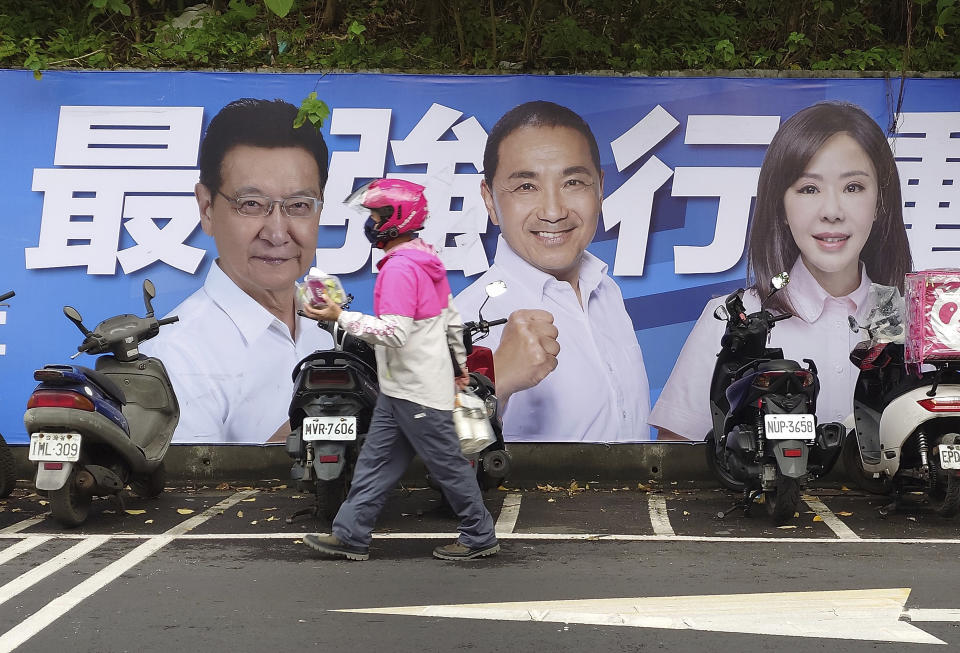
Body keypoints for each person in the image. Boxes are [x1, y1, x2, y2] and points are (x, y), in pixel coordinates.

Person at [650, 101, 913, 441]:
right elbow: (675, 463)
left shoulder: (917, 325)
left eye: (853, 187)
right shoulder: (733, 319)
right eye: (809, 189)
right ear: (781, 207)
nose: (831, 211)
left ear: (880, 202)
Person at [302, 179, 499, 562]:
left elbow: (393, 333)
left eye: (377, 215)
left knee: (448, 465)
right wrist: (458, 366)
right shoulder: (425, 260)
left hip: (417, 388)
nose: (371, 222)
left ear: (397, 219)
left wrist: (340, 315)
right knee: (375, 464)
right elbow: (450, 320)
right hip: (403, 389)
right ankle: (350, 535)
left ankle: (479, 536)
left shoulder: (400, 269)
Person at [455, 100, 651, 442]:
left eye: (573, 182)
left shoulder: (606, 290)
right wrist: (495, 378)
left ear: (600, 188)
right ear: (489, 201)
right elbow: (434, 465)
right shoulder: (467, 318)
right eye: (526, 187)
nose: (553, 211)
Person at [141, 98, 334, 444]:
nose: (277, 233)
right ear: (207, 208)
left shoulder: (329, 332)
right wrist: (323, 421)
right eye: (251, 205)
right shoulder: (171, 356)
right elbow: (192, 495)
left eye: (299, 206)